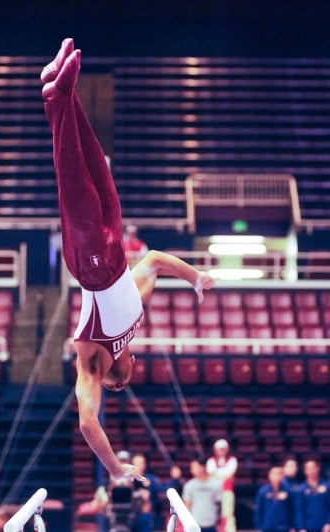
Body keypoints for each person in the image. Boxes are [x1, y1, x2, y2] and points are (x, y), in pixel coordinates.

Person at [41, 38, 215, 481]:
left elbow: (86, 423)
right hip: (116, 251)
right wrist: (193, 278)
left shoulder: (94, 362)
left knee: (73, 181)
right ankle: (63, 90)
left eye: (129, 374)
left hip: (91, 266)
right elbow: (154, 259)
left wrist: (117, 470)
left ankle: (53, 97)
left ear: (119, 375)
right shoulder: (135, 317)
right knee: (97, 163)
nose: (134, 363)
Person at [182, 457, 222, 532]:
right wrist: (186, 523)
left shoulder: (216, 484)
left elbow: (219, 504)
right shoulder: (190, 485)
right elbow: (187, 504)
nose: (192, 469)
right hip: (195, 524)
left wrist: (217, 520)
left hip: (210, 523)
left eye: (194, 466)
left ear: (202, 467)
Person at [206, 439, 238, 532]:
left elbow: (229, 473)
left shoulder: (232, 460)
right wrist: (223, 474)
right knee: (212, 512)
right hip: (213, 492)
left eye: (223, 449)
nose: (221, 451)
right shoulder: (211, 461)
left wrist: (217, 474)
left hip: (227, 490)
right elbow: (211, 474)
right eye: (219, 449)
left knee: (228, 513)